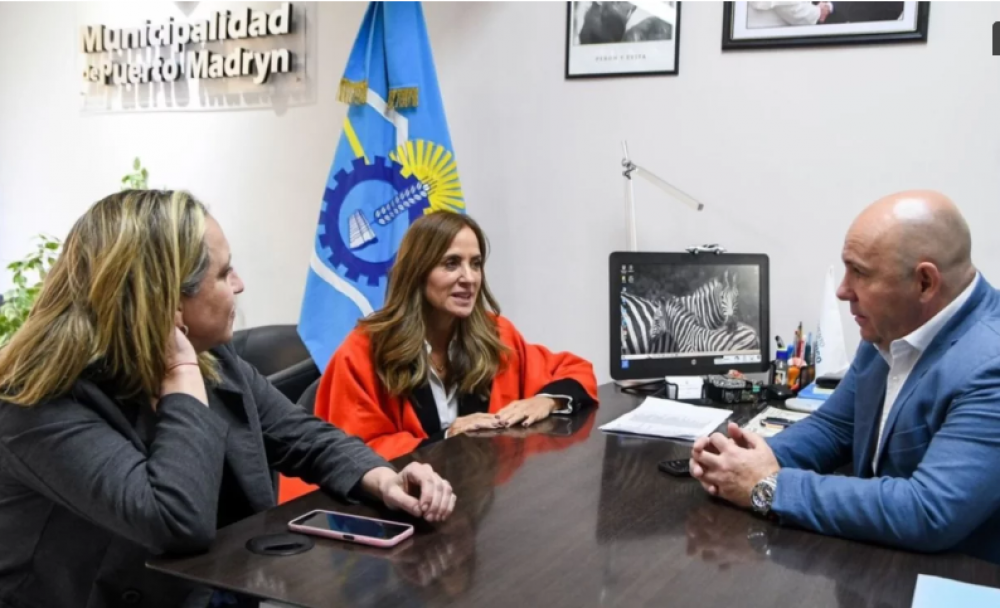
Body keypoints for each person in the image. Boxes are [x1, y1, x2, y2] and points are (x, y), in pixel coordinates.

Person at [0, 190, 456, 608]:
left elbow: (304, 437)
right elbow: (175, 520)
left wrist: (382, 478)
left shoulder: (217, 361)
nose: (238, 285)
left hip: (217, 589)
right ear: (165, 303)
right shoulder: (38, 404)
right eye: (222, 273)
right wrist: (180, 374)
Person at [689, 190, 1000, 564]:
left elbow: (929, 512)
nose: (842, 291)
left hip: (958, 580)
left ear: (924, 283)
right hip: (880, 567)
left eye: (861, 273)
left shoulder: (990, 364)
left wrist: (769, 486)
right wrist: (745, 459)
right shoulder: (891, 326)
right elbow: (835, 427)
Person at [315, 211, 598, 459]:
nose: (470, 278)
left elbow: (574, 369)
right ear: (418, 272)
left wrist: (548, 400)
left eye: (475, 264)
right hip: (394, 507)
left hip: (477, 500)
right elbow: (351, 454)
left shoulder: (495, 335)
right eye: (451, 263)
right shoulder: (365, 350)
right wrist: (447, 437)